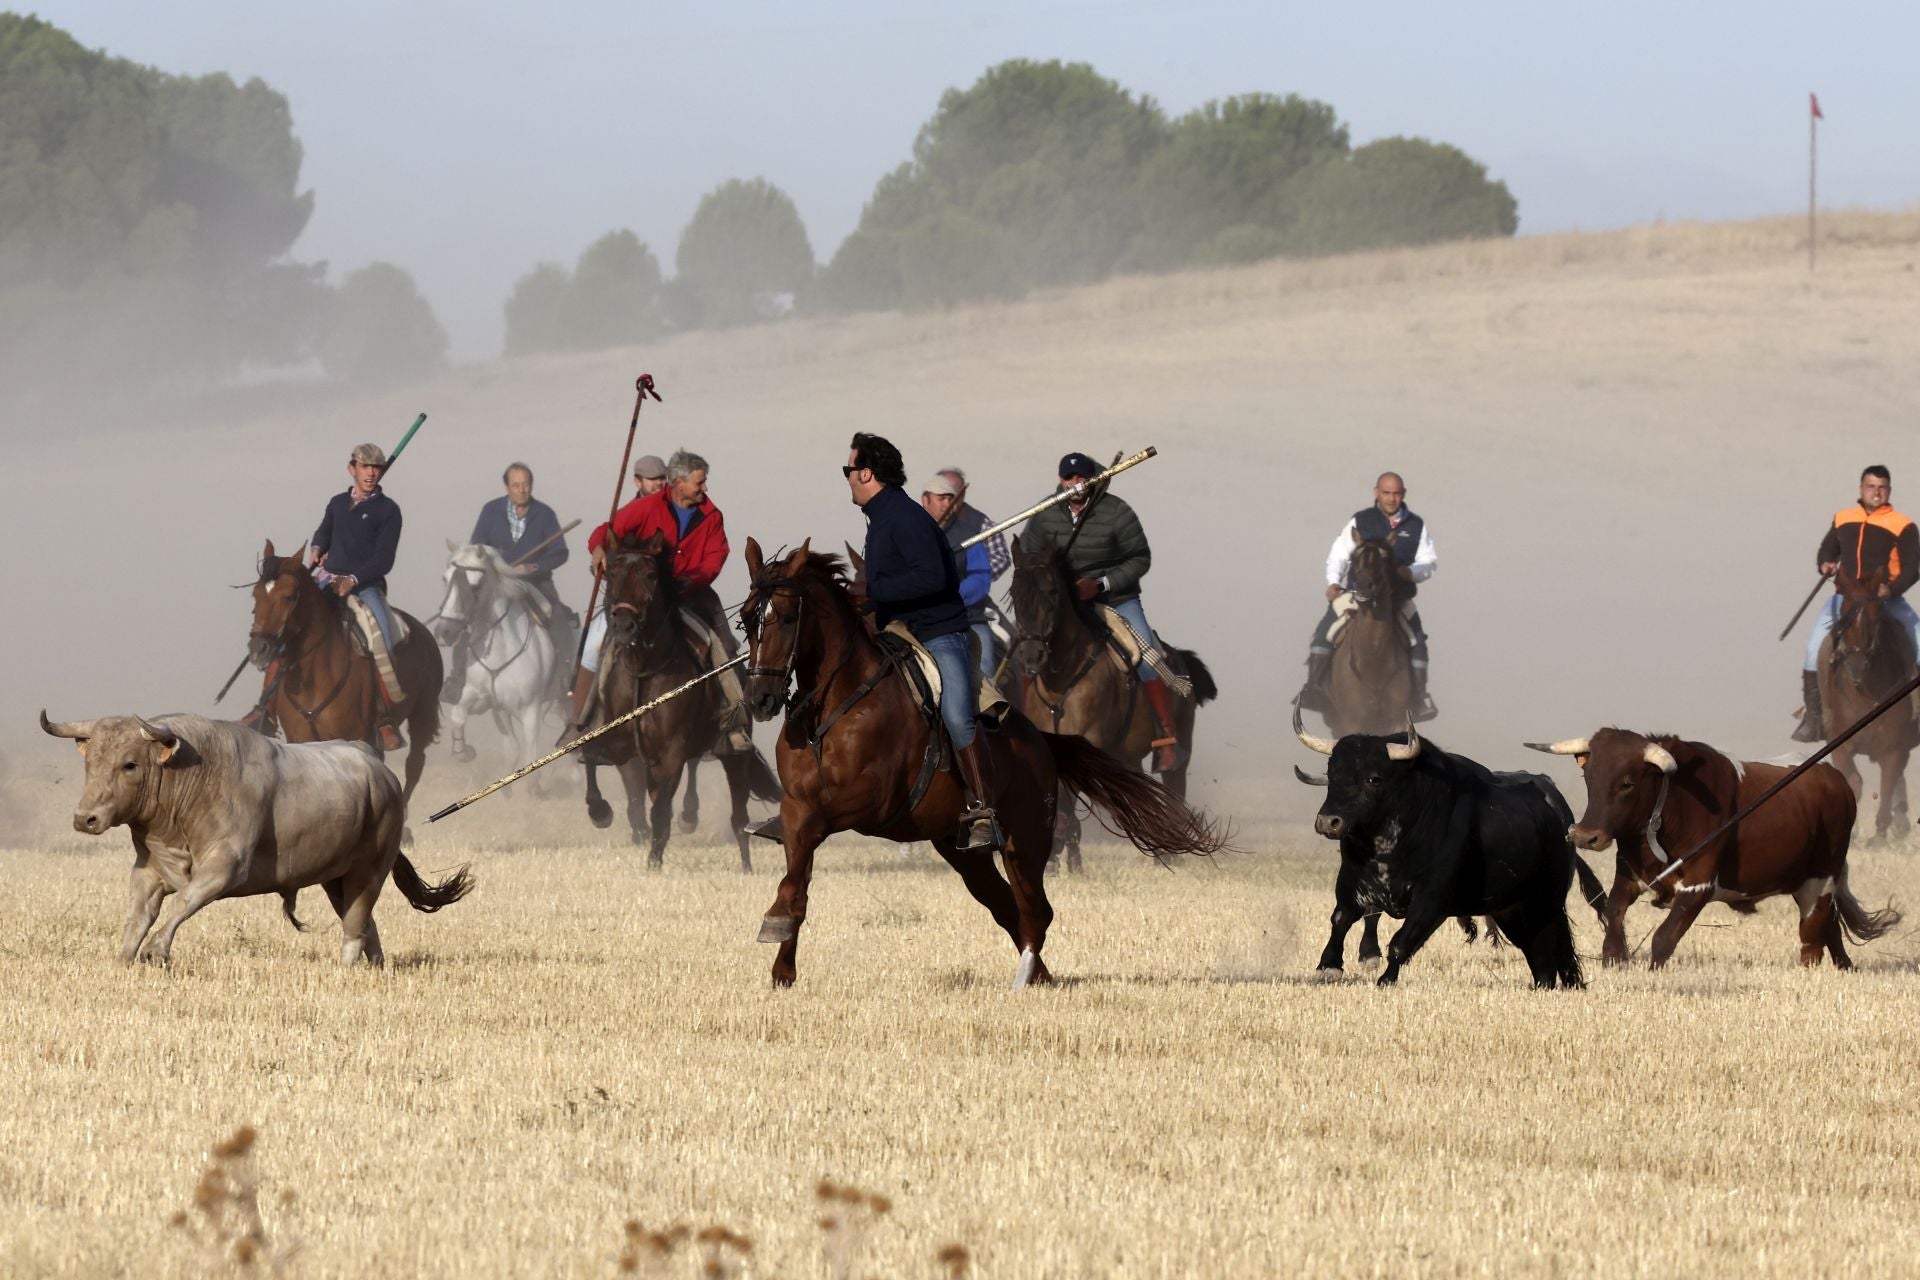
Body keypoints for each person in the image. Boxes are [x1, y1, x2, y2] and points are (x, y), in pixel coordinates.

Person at [849, 432, 999, 850]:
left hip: (939, 632)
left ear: (866, 472)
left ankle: (984, 810)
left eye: (849, 469)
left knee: (955, 714)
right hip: (898, 632)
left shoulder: (904, 518)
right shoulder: (882, 516)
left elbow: (933, 578)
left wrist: (876, 594)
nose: (846, 478)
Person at [566, 448, 752, 752]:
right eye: (699, 482)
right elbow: (607, 530)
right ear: (678, 483)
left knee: (724, 648)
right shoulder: (647, 507)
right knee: (607, 645)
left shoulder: (711, 515)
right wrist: (598, 549)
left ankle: (734, 723)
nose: (705, 488)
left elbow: (716, 557)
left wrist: (692, 579)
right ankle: (585, 721)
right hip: (647, 595)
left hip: (693, 594)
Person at [1023, 451, 1181, 772]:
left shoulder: (1116, 511)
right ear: (1060, 480)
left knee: (1147, 653)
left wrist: (1102, 584)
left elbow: (1139, 559)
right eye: (1069, 478)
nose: (1075, 484)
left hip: (1116, 600)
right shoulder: (1045, 513)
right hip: (1061, 603)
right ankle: (1025, 734)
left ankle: (1166, 736)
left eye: (1081, 477)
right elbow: (1028, 556)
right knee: (1027, 651)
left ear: (1092, 478)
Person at [1295, 472, 1439, 722]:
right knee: (1324, 632)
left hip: (1397, 599)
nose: (1391, 498)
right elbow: (1339, 554)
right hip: (1355, 595)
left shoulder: (1416, 526)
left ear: (1403, 494)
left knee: (1417, 641)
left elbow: (1429, 562)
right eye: (1386, 493)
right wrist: (1333, 582)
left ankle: (1418, 698)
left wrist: (1411, 571)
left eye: (1396, 493)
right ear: (1376, 493)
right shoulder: (1360, 520)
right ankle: (1313, 689)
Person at [1795, 464, 1920, 742]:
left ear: (1889, 490)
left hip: (1885, 598)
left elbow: (1912, 568)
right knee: (1814, 648)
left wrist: (1892, 588)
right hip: (1846, 597)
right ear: (1861, 489)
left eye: (1882, 487)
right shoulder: (1843, 518)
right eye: (1871, 486)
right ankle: (1815, 717)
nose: (1876, 492)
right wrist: (1824, 563)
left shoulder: (1903, 525)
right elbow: (1828, 548)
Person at [448, 462, 575, 702]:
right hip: (497, 582)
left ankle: (565, 676)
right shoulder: (490, 511)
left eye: (526, 484)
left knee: (557, 616)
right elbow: (478, 550)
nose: (522, 490)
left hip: (537, 582)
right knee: (466, 617)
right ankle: (457, 678)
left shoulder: (545, 514)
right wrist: (497, 568)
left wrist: (534, 566)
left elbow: (561, 552)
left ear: (531, 486)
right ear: (507, 487)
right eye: (516, 485)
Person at [311, 443, 407, 751]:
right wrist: (316, 549)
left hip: (365, 586)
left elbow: (384, 559)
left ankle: (383, 715)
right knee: (289, 621)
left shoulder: (388, 510)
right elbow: (324, 532)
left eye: (376, 468)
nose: (371, 472)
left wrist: (353, 580)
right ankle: (267, 708)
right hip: (327, 579)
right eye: (365, 467)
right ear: (352, 469)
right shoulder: (337, 503)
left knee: (384, 640)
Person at [921, 474, 997, 682]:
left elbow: (981, 578)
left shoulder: (970, 535)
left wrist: (951, 594)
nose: (947, 503)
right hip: (921, 620)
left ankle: (986, 713)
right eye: (941, 498)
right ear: (925, 500)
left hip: (968, 618)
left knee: (985, 665)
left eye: (949, 498)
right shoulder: (913, 533)